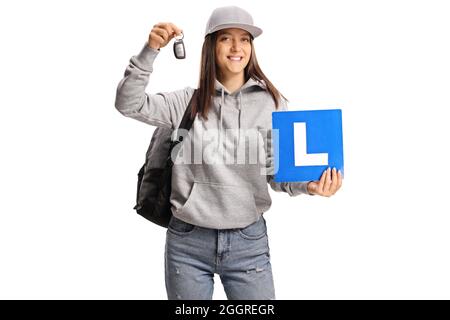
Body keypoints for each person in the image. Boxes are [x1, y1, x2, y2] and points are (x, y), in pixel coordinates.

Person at [115, 6, 342, 300]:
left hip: (248, 242)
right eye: (226, 38)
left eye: (245, 39)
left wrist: (309, 186)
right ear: (211, 46)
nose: (237, 47)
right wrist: (150, 50)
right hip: (187, 242)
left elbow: (276, 173)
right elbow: (128, 103)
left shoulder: (272, 103)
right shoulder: (186, 101)